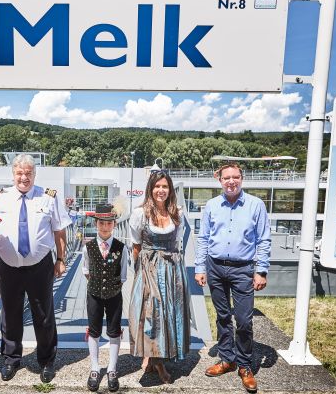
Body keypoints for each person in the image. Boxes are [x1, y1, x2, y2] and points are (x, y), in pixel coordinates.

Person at [0, 154, 71, 383]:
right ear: (13, 174)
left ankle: (47, 360)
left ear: (34, 175)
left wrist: (61, 259)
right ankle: (11, 359)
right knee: (11, 314)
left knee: (44, 315)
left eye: (28, 173)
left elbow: (59, 231)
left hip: (40, 266)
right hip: (8, 266)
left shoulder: (49, 197)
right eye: (20, 173)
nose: (24, 177)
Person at [194, 163, 271, 394]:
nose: (231, 181)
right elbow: (204, 238)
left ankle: (245, 365)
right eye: (226, 178)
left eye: (235, 177)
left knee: (244, 320)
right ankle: (227, 359)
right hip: (215, 267)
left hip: (243, 269)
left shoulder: (255, 205)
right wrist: (200, 267)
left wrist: (261, 270)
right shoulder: (211, 205)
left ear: (242, 179)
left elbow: (264, 240)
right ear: (220, 180)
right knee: (222, 316)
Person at [128, 171, 191, 384]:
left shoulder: (178, 213)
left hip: (172, 268)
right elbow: (136, 245)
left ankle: (158, 359)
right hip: (149, 267)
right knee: (151, 313)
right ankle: (155, 358)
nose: (161, 190)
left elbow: (178, 241)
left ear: (170, 190)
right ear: (150, 189)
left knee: (168, 313)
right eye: (157, 186)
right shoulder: (140, 214)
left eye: (165, 186)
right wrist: (138, 271)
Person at [82, 203, 128, 392]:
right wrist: (97, 284)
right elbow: (86, 270)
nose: (105, 226)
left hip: (114, 295)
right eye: (101, 223)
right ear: (96, 223)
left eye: (109, 223)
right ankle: (95, 367)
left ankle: (112, 368)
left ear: (114, 224)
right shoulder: (89, 247)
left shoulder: (121, 247)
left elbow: (123, 274)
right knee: (94, 331)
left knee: (114, 330)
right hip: (93, 295)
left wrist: (112, 285)